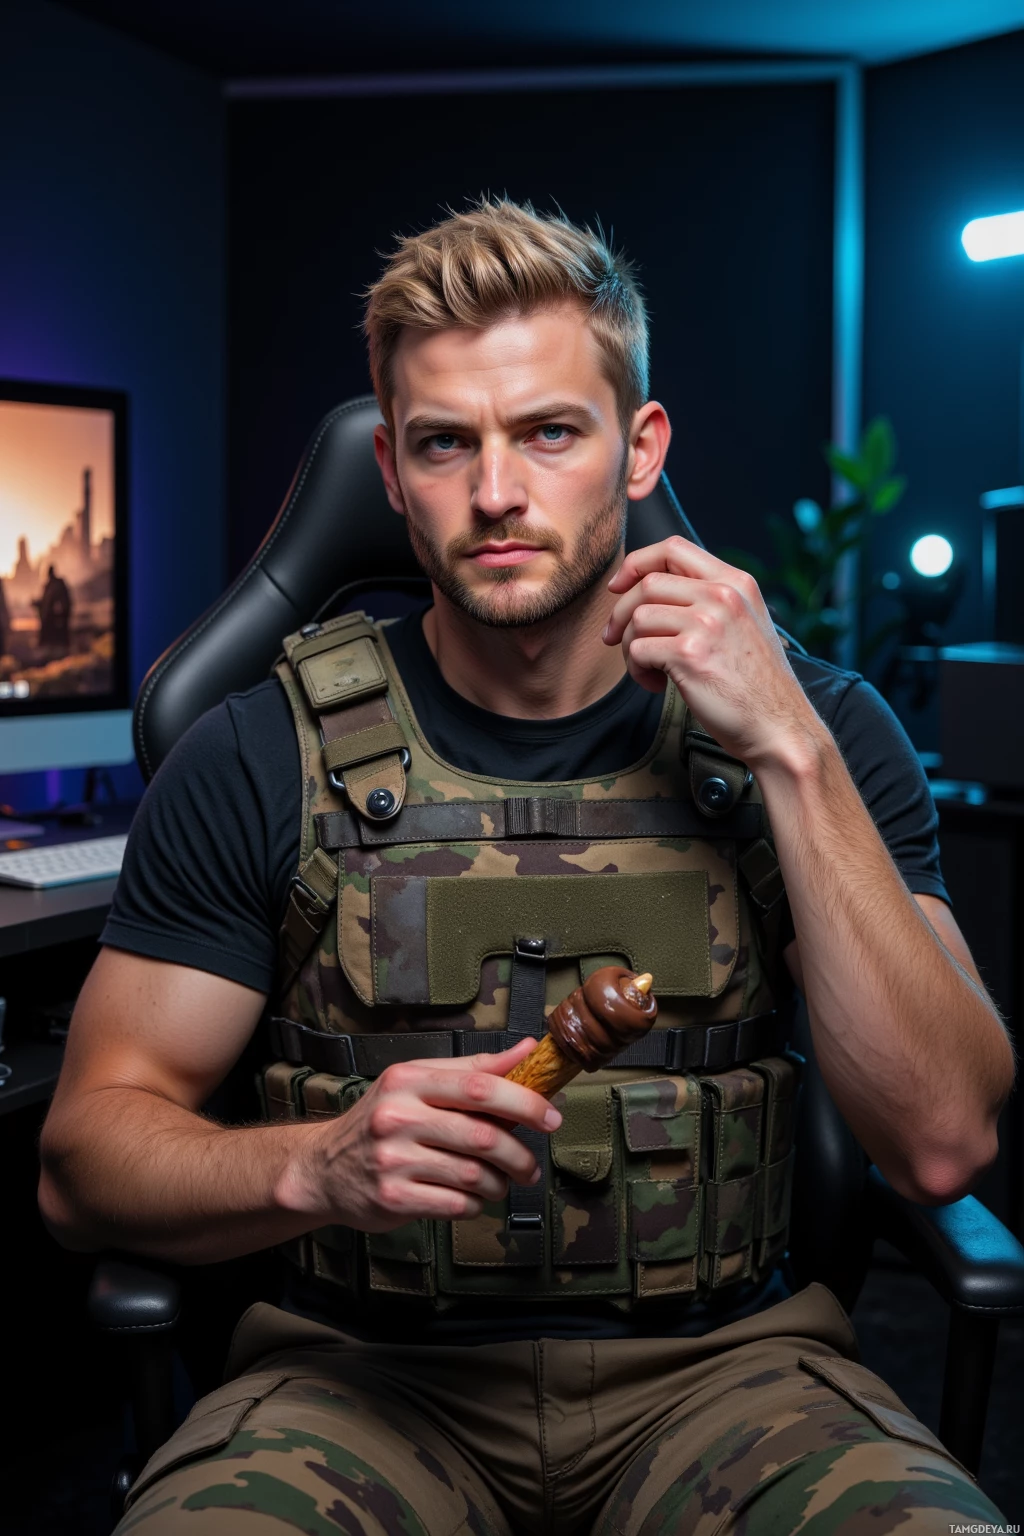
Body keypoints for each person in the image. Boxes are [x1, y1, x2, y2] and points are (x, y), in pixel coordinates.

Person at [40, 200, 1013, 1535]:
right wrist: (315, 1167)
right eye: (446, 443)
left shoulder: (823, 732)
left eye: (549, 431)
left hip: (736, 1378)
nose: (496, 491)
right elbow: (82, 1159)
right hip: (353, 1384)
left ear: (638, 445)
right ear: (390, 468)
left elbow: (947, 1138)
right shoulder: (259, 752)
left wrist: (786, 744)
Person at [35, 563, 72, 650]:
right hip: (50, 617)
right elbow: (45, 601)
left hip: (56, 617)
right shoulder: (49, 586)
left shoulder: (57, 584)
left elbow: (62, 601)